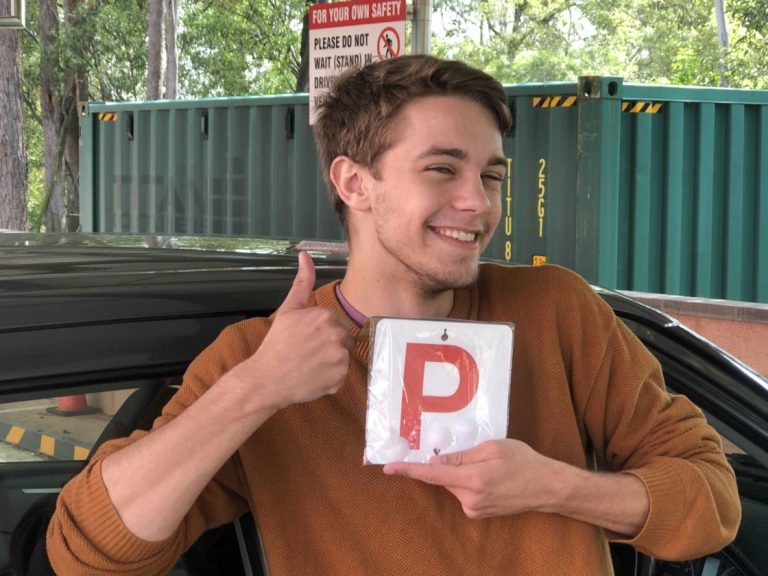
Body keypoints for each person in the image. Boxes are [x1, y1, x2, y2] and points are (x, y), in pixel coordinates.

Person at [47, 55, 740, 575]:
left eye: (491, 176)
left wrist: (557, 486)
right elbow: (87, 553)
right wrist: (255, 390)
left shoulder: (556, 309)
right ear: (355, 182)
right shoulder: (258, 358)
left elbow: (712, 501)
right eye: (442, 169)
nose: (479, 202)